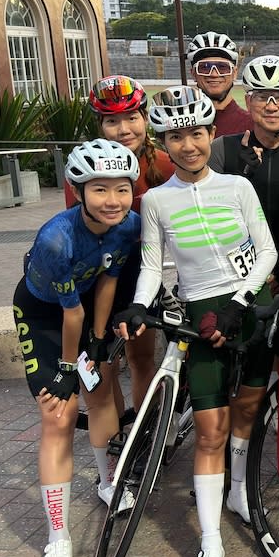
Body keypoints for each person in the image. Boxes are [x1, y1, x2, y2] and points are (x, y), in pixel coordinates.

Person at [115, 87, 278, 557]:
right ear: (163, 142)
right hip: (201, 313)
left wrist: (243, 300)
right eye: (176, 136)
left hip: (250, 306)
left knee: (247, 411)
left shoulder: (237, 187)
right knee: (210, 428)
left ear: (212, 135)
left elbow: (267, 251)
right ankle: (212, 545)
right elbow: (150, 265)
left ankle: (237, 495)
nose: (188, 145)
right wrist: (141, 305)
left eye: (197, 134)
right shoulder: (155, 199)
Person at [13, 139, 142, 557]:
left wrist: (102, 340)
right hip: (45, 314)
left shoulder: (128, 225)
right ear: (78, 190)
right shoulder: (56, 238)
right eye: (100, 189)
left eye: (122, 189)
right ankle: (58, 538)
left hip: (85, 310)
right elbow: (70, 313)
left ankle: (107, 483)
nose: (113, 200)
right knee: (59, 415)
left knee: (102, 391)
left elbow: (107, 281)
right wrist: (69, 368)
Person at [66, 76, 175, 421]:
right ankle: (112, 437)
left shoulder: (167, 163)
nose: (124, 128)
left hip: (143, 271)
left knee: (142, 358)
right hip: (98, 273)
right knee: (102, 362)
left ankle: (145, 432)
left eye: (132, 117)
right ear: (100, 126)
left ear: (145, 118)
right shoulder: (85, 167)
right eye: (112, 121)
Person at [209, 54, 279, 247]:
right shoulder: (221, 149)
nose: (271, 106)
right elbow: (207, 212)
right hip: (239, 266)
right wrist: (238, 176)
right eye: (261, 97)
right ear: (248, 102)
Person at [187, 31, 253, 137]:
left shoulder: (253, 126)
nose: (214, 74)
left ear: (234, 73)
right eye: (205, 67)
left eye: (222, 67)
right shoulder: (183, 125)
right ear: (193, 74)